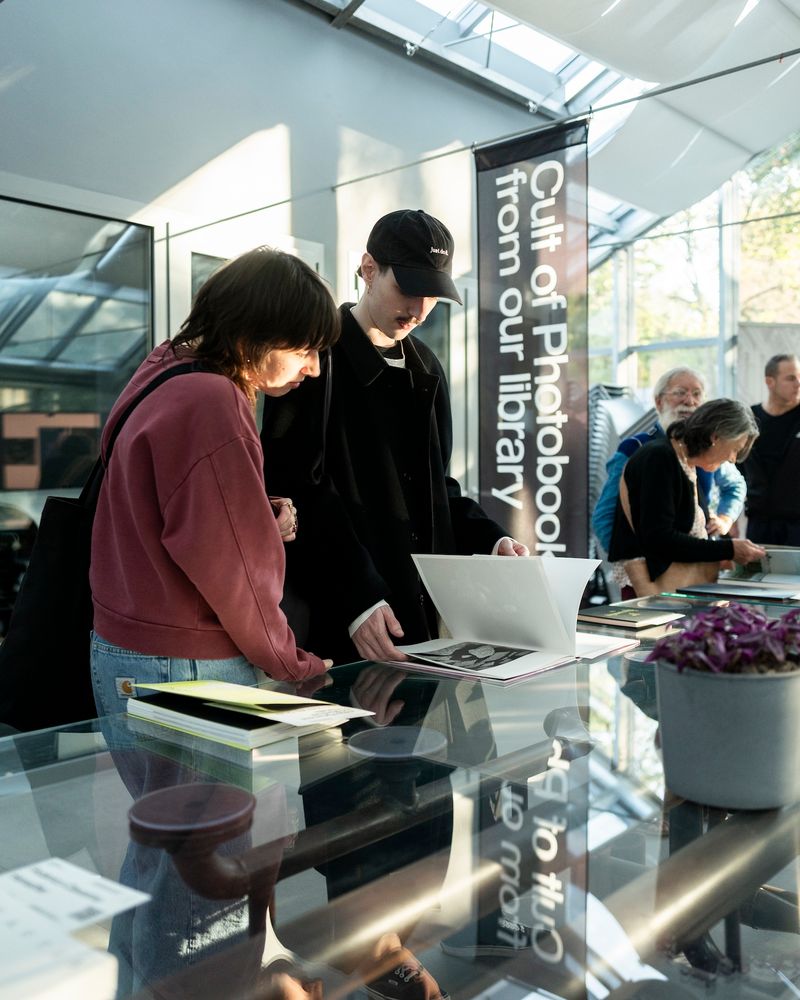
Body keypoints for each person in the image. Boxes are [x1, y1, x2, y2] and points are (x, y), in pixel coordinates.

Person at [261, 209, 527, 664]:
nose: (419, 309)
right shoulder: (312, 362)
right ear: (368, 269)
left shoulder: (428, 367)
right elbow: (294, 490)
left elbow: (434, 488)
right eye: (406, 288)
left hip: (418, 617)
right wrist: (357, 594)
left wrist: (490, 539)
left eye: (433, 295)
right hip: (339, 614)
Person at [90, 246, 339, 717]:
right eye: (303, 348)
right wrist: (289, 660)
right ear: (254, 334)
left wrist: (255, 510)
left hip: (125, 647)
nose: (313, 367)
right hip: (184, 662)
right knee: (214, 796)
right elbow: (235, 568)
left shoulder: (163, 368)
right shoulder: (213, 399)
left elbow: (161, 498)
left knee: (156, 794)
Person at [608, 399, 765, 595]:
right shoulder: (659, 458)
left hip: (676, 586)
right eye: (734, 449)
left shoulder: (684, 462)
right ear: (715, 437)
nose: (733, 458)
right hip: (655, 588)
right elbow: (659, 538)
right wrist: (728, 549)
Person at [592, 367, 746, 553]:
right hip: (653, 568)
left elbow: (736, 485)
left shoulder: (709, 449)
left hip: (698, 562)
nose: (690, 401)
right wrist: (632, 562)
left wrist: (725, 518)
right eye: (680, 393)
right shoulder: (635, 447)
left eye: (697, 394)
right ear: (658, 402)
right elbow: (604, 516)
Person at [738, 353, 800, 545]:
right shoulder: (748, 418)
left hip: (797, 524)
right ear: (769, 381)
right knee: (758, 574)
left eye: (799, 378)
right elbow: (734, 466)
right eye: (791, 378)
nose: (798, 383)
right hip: (759, 523)